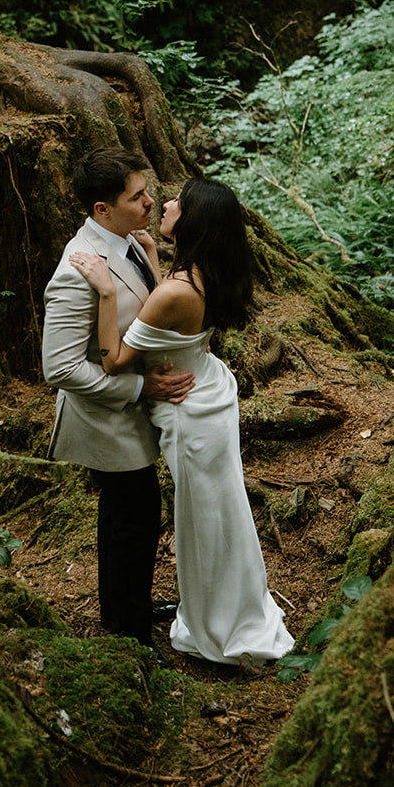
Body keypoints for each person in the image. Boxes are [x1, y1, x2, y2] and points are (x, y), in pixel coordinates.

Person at [69, 176, 293, 666]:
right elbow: (169, 309)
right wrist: (151, 254)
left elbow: (114, 359)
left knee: (207, 522)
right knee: (223, 512)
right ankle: (225, 610)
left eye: (178, 202)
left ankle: (225, 628)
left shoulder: (177, 290)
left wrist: (106, 291)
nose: (165, 203)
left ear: (193, 222)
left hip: (190, 412)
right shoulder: (206, 270)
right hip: (207, 389)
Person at [42, 147, 194, 647]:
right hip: (107, 417)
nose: (150, 202)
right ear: (101, 210)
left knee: (128, 516)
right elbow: (60, 367)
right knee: (135, 518)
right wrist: (138, 387)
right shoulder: (76, 271)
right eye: (137, 196)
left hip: (132, 411)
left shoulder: (130, 239)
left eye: (147, 191)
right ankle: (127, 633)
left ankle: (125, 606)